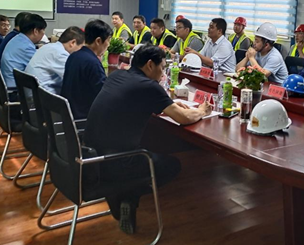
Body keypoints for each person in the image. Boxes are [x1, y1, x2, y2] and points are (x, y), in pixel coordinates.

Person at [85, 45, 212, 234]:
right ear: (150, 65)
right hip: (118, 161)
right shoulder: (149, 86)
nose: (163, 73)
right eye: (162, 67)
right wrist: (202, 111)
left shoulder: (118, 75)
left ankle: (121, 193)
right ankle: (128, 196)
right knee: (172, 165)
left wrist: (167, 103)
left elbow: (134, 101)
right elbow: (184, 118)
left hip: (91, 155)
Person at [61, 19, 112, 120]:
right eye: (108, 40)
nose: (109, 45)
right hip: (84, 117)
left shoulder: (73, 56)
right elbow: (104, 95)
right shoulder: (92, 63)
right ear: (98, 41)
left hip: (69, 113)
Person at [24, 27, 85, 94]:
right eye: (81, 48)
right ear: (73, 43)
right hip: (41, 96)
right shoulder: (61, 54)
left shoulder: (49, 46)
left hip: (32, 93)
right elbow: (73, 80)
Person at [0, 13, 47, 89]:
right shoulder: (26, 48)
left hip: (9, 82)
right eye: (43, 30)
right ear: (35, 31)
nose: (44, 33)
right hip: (15, 89)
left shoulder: (18, 39)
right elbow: (43, 66)